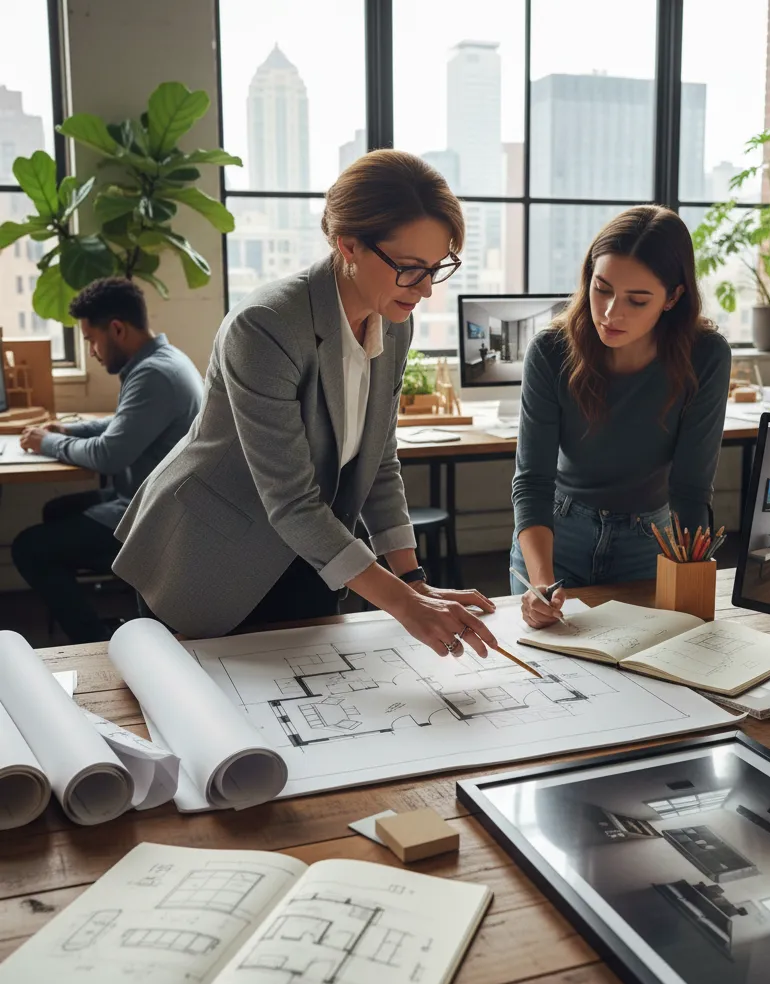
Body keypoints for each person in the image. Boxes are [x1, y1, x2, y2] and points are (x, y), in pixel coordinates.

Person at [114, 150, 499, 658]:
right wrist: (405, 605)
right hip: (210, 556)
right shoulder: (265, 325)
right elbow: (292, 501)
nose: (426, 289)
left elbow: (378, 462)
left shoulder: (393, 320)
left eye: (437, 267)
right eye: (410, 269)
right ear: (349, 245)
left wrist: (413, 579)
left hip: (310, 552)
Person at [511, 205, 731, 629]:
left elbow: (690, 488)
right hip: (557, 538)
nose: (611, 312)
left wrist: (690, 574)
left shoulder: (706, 355)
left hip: (651, 544)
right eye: (602, 288)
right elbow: (532, 480)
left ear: (673, 297)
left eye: (637, 299)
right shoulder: (551, 351)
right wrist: (541, 584)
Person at [12, 277, 204, 643]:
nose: (93, 351)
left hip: (154, 517)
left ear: (116, 328)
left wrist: (46, 443)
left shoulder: (153, 375)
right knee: (56, 511)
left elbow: (108, 455)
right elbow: (124, 423)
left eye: (91, 340)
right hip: (147, 496)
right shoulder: (162, 360)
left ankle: (96, 638)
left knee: (29, 548)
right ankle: (103, 614)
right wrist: (71, 431)